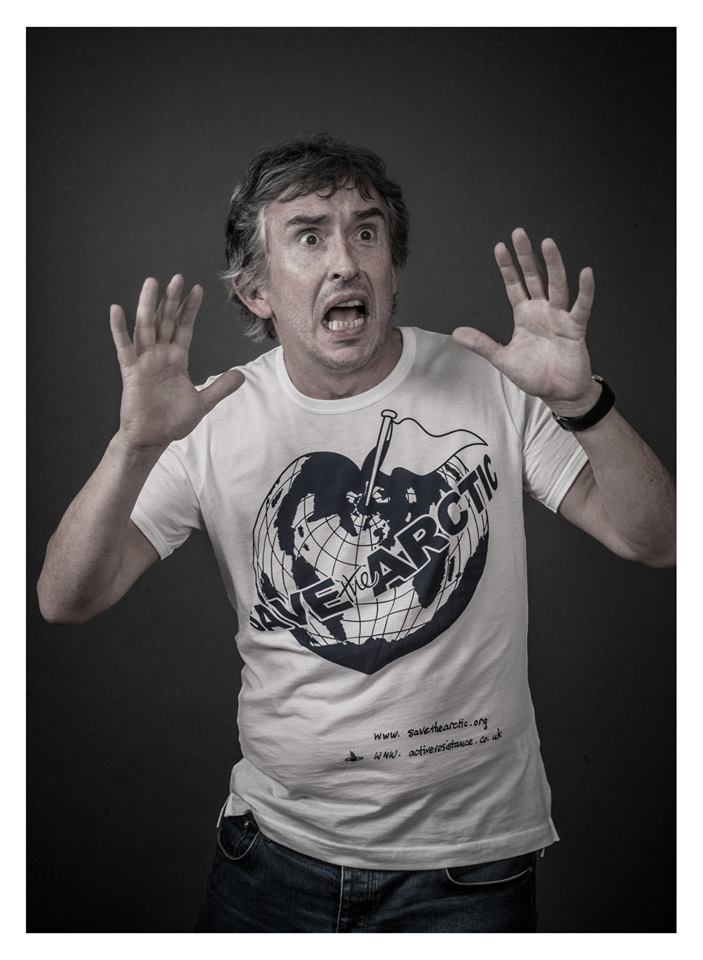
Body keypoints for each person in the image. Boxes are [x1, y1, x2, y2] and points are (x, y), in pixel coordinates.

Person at [37, 134, 675, 933]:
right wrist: (133, 448)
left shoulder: (490, 385)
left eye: (365, 232)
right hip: (273, 860)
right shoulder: (207, 417)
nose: (345, 261)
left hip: (469, 869)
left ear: (392, 269)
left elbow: (658, 541)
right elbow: (66, 598)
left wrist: (583, 406)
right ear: (256, 290)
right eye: (309, 237)